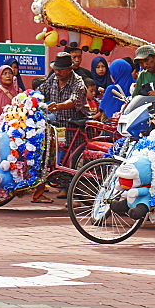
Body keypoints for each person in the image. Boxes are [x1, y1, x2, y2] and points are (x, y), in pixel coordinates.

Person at [37, 52, 88, 202]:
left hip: (72, 123)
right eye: (55, 69)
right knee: (52, 156)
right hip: (55, 124)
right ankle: (59, 186)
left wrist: (58, 106)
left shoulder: (78, 83)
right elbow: (40, 91)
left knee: (73, 160)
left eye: (60, 70)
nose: (57, 72)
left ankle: (74, 192)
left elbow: (73, 101)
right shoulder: (53, 78)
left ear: (69, 69)